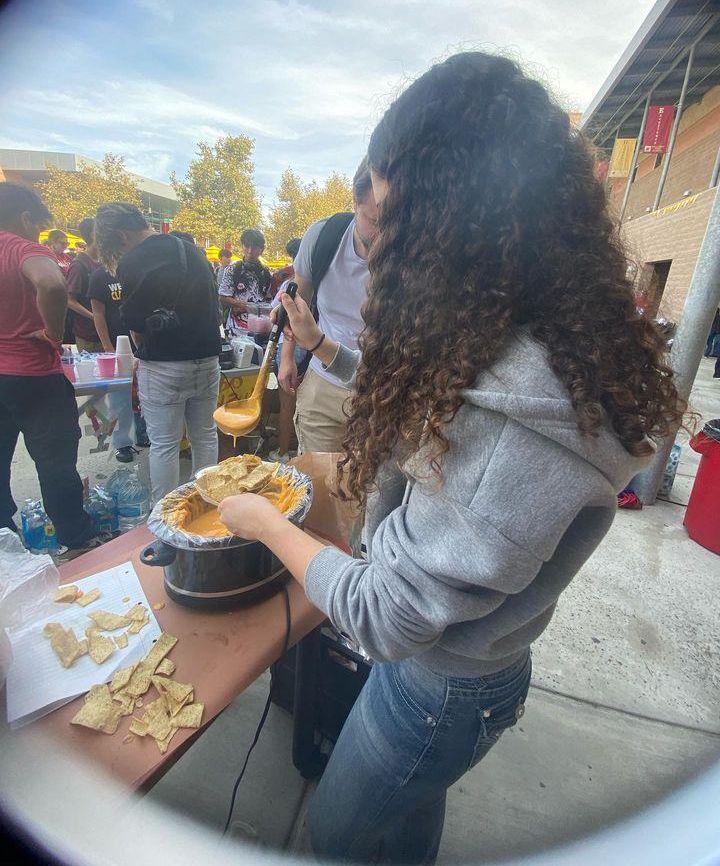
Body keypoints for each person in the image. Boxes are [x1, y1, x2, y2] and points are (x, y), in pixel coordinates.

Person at [218, 52, 685, 865]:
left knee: (336, 834)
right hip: (463, 660)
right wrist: (325, 350)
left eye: (390, 231)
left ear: (450, 230)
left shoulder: (514, 423)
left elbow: (385, 616)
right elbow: (439, 397)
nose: (377, 258)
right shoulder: (531, 335)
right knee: (405, 819)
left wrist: (267, 524)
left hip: (441, 688)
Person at [95, 202, 221, 502]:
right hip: (207, 359)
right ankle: (207, 506)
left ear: (121, 236)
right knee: (205, 435)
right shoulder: (191, 250)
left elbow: (136, 327)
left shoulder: (134, 261)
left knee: (165, 445)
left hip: (164, 366)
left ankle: (166, 516)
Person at [0, 183, 97, 551]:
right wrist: (52, 333)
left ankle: (5, 541)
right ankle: (76, 538)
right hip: (34, 375)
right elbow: (52, 284)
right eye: (38, 226)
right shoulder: (22, 248)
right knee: (56, 464)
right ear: (25, 218)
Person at [278, 159, 378, 453]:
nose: (384, 236)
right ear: (355, 200)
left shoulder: (409, 252)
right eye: (374, 222)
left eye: (394, 223)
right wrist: (287, 358)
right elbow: (296, 300)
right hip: (322, 387)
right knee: (316, 480)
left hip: (379, 393)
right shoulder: (323, 236)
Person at [88, 264, 149, 463]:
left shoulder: (137, 269)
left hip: (144, 345)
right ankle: (122, 443)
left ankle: (143, 434)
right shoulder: (100, 276)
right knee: (119, 399)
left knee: (144, 393)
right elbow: (98, 314)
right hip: (117, 345)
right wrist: (107, 345)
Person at [268, 239, 305, 464]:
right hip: (314, 348)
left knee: (287, 404)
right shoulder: (322, 283)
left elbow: (275, 316)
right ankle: (301, 452)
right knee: (305, 404)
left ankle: (282, 452)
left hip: (289, 346)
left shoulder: (289, 284)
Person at [218, 228, 272, 338]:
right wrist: (247, 306)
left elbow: (268, 299)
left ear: (262, 249)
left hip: (260, 330)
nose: (250, 251)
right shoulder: (233, 270)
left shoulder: (266, 273)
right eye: (247, 246)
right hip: (236, 331)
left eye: (255, 247)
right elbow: (223, 297)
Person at [66, 217, 102, 352]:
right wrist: (96, 317)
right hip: (89, 335)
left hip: (109, 332)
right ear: (93, 235)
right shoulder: (79, 265)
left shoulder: (105, 262)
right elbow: (70, 301)